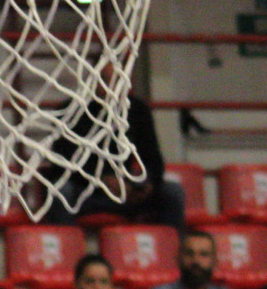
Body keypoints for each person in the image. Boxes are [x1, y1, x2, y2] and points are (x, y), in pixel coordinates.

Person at [46, 91, 186, 230]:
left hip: (127, 191)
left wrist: (144, 183)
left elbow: (154, 161)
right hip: (85, 191)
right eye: (104, 75)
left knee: (172, 192)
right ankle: (66, 247)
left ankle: (172, 248)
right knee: (62, 191)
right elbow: (61, 163)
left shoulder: (137, 109)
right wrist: (101, 181)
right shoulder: (71, 108)